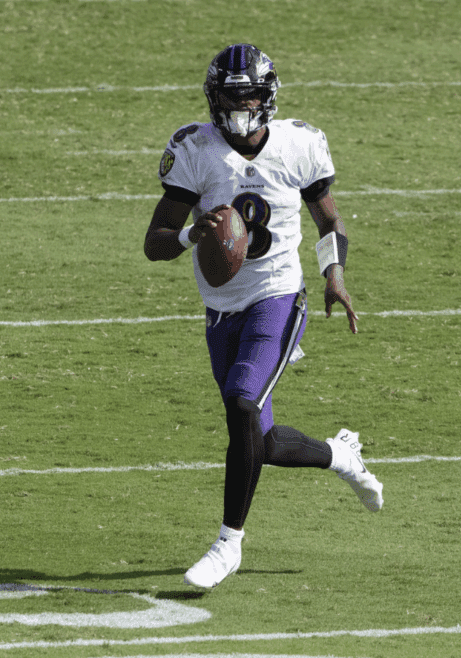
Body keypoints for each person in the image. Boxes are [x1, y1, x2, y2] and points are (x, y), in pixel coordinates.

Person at [143, 43, 384, 589]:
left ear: (267, 96)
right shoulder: (194, 149)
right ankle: (340, 455)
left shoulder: (299, 143)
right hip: (222, 307)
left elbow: (330, 221)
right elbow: (154, 243)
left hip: (278, 295)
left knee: (241, 403)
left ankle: (228, 542)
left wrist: (334, 275)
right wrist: (189, 234)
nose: (239, 104)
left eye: (248, 93)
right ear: (213, 98)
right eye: (230, 95)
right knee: (261, 438)